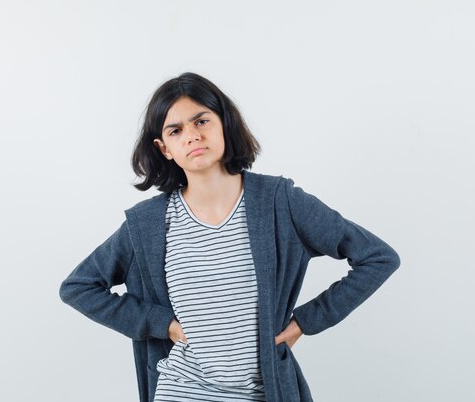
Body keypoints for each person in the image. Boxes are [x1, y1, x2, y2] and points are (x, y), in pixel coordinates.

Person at [59, 72, 400, 402]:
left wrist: (305, 322)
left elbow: (377, 258)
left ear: (224, 123)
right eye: (176, 130)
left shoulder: (280, 202)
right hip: (182, 390)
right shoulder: (147, 225)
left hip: (263, 391)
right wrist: (162, 324)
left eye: (201, 121)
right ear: (164, 148)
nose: (192, 135)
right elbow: (79, 287)